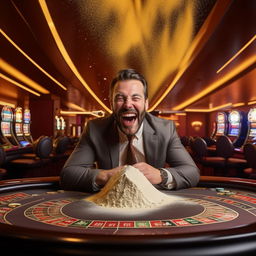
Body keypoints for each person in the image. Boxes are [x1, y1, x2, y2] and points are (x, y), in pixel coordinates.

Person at [60, 69, 200, 192]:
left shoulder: (165, 129)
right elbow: (68, 174)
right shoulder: (95, 129)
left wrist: (161, 175)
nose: (128, 105)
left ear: (146, 103)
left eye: (135, 98)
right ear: (112, 103)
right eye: (120, 98)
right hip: (111, 202)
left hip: (152, 201)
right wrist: (106, 176)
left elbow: (192, 172)